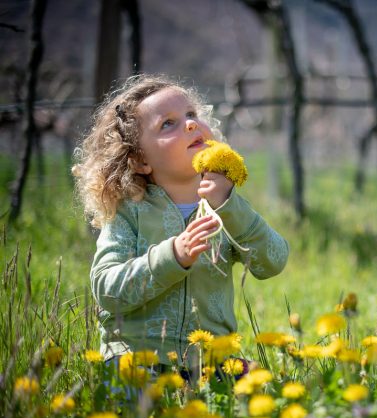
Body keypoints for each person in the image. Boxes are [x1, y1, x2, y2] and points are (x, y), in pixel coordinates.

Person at [73, 74, 289, 373]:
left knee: (264, 395)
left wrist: (230, 205)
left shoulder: (224, 209)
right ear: (139, 160)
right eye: (167, 124)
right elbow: (107, 291)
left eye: (191, 115)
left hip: (211, 362)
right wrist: (172, 256)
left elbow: (273, 261)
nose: (190, 124)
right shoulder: (129, 212)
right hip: (138, 357)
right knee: (140, 413)